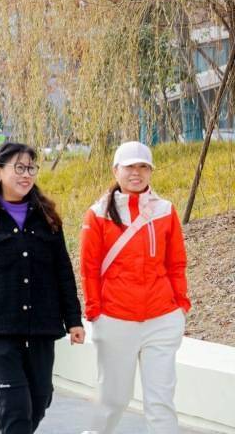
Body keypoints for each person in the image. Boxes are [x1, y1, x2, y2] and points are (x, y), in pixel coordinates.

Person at [0, 142, 84, 434]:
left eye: (31, 168)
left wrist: (74, 319)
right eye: (18, 168)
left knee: (40, 399)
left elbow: (63, 272)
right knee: (15, 406)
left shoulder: (47, 218)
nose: (26, 174)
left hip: (41, 326)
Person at [80, 141, 190, 434]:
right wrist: (95, 312)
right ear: (116, 170)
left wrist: (180, 305)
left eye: (143, 166)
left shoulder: (165, 210)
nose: (136, 173)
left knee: (161, 401)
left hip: (162, 318)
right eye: (130, 167)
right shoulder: (98, 214)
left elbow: (176, 263)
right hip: (116, 318)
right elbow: (89, 269)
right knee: (113, 400)